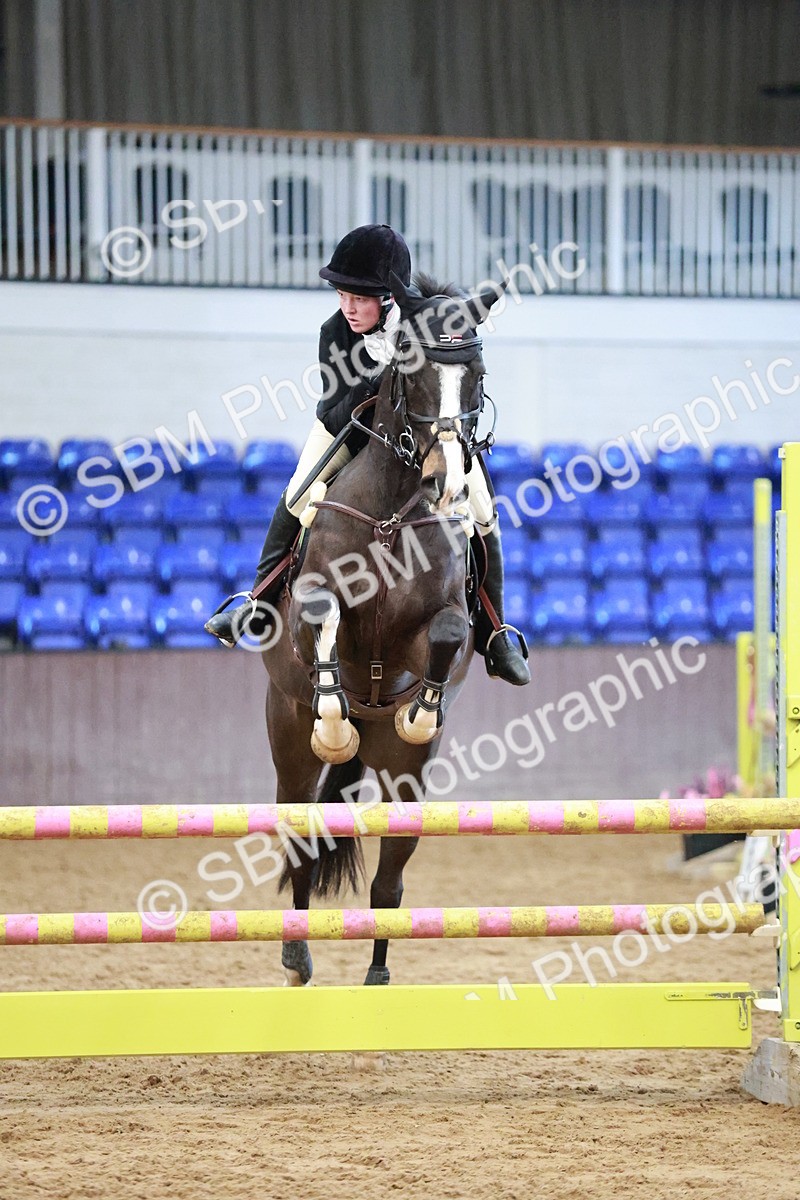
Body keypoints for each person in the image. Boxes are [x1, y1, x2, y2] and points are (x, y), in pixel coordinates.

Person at [204, 223, 530, 686]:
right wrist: (379, 389)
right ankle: (257, 601)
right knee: (298, 493)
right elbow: (333, 409)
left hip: (427, 439)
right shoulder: (334, 332)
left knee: (481, 511)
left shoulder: (425, 323)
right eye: (342, 295)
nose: (349, 308)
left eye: (360, 298)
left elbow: (453, 378)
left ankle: (497, 633)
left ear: (390, 298)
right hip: (351, 432)